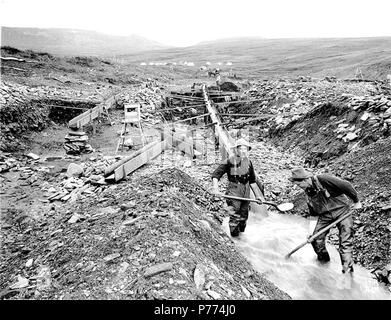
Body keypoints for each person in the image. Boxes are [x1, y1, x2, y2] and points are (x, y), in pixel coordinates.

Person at [288, 167, 362, 274]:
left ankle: (347, 271)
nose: (299, 187)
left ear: (305, 180)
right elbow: (313, 215)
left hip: (342, 211)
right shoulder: (308, 192)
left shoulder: (324, 179)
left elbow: (346, 185)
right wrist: (310, 233)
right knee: (315, 239)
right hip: (325, 216)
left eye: (299, 185)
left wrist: (356, 201)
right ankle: (324, 265)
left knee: (345, 242)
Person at [211, 138, 263, 237]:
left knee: (244, 215)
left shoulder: (249, 162)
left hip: (245, 190)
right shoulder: (229, 161)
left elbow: (252, 181)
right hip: (234, 190)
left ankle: (242, 236)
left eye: (245, 149)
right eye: (241, 149)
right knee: (235, 215)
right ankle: (234, 239)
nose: (243, 151)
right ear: (236, 150)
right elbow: (216, 175)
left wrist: (257, 196)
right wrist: (215, 189)